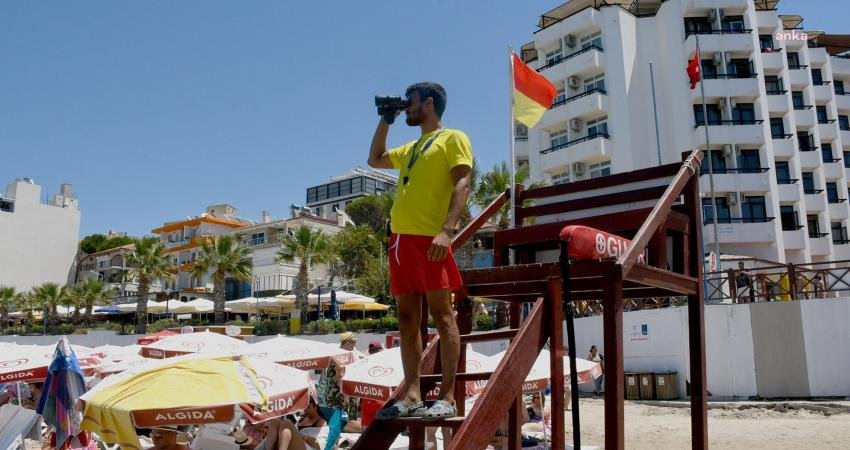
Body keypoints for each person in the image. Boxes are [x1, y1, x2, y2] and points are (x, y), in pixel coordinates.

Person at [368, 82, 473, 421]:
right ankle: (411, 393)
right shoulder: (413, 146)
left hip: (431, 238)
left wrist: (447, 230)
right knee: (407, 318)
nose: (406, 106)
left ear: (428, 103)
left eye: (409, 102)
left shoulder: (453, 137)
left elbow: (462, 182)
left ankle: (447, 396)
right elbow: (375, 159)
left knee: (443, 315)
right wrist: (387, 119)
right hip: (399, 241)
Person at [318, 332, 361, 422]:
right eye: (353, 343)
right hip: (341, 395)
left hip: (334, 394)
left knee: (337, 420)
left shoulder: (335, 353)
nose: (354, 346)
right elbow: (340, 376)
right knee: (345, 421)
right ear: (348, 343)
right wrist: (345, 397)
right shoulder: (341, 355)